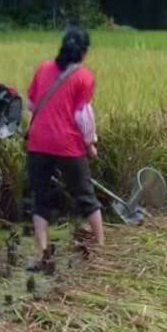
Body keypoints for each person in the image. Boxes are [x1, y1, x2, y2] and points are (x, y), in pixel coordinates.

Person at [25, 26, 103, 269]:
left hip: (37, 143)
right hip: (67, 144)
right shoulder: (84, 77)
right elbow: (82, 115)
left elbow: (30, 104)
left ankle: (42, 254)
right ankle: (101, 249)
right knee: (86, 196)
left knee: (41, 200)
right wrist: (90, 144)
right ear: (84, 52)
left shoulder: (43, 68)